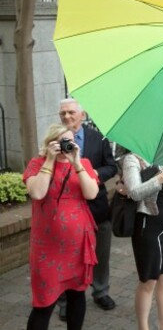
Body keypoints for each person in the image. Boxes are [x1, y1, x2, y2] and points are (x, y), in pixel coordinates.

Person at [23, 124, 99, 330]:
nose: (67, 144)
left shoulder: (83, 163)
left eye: (71, 140)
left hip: (77, 246)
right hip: (47, 249)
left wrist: (76, 163)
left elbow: (92, 193)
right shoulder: (37, 164)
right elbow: (37, 193)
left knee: (77, 295)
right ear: (49, 144)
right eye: (62, 141)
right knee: (43, 304)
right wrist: (49, 159)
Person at [58, 98, 118, 319]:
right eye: (63, 113)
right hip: (67, 212)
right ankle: (66, 300)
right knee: (68, 257)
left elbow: (112, 166)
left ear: (82, 115)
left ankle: (101, 291)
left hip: (97, 207)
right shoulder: (53, 141)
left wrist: (93, 175)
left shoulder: (97, 138)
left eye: (71, 112)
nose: (67, 117)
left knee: (101, 252)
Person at [122, 153, 163, 330]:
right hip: (148, 226)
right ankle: (143, 327)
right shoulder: (132, 160)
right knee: (149, 280)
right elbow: (135, 193)